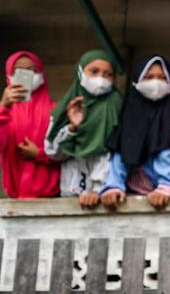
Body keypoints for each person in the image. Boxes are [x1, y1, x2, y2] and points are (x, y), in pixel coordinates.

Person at [100, 55, 170, 210]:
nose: (155, 83)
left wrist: (165, 187)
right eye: (148, 77)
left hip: (167, 190)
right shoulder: (131, 105)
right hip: (132, 189)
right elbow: (120, 148)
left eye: (162, 77)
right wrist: (114, 186)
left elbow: (169, 151)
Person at [44, 50, 122, 209]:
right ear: (80, 72)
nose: (101, 78)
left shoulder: (116, 106)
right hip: (69, 195)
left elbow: (114, 152)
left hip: (105, 198)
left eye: (108, 74)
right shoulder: (66, 107)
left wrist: (97, 189)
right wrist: (72, 128)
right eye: (94, 71)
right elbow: (53, 154)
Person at [0, 51, 60, 198]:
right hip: (15, 198)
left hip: (53, 197)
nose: (27, 75)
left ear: (42, 74)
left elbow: (69, 153)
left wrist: (40, 154)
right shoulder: (5, 113)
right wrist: (3, 107)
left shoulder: (56, 111)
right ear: (9, 75)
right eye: (18, 71)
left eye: (32, 70)